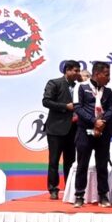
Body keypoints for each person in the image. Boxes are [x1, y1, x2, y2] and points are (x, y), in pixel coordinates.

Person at [73, 61, 112, 208]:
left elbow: (111, 109)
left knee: (102, 165)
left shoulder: (108, 91)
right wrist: (93, 121)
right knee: (82, 164)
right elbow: (78, 108)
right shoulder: (81, 87)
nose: (109, 78)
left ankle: (103, 196)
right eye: (106, 75)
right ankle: (79, 195)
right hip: (85, 131)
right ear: (97, 74)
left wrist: (102, 121)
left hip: (103, 131)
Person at [42, 60, 81, 200]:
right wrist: (65, 106)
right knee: (54, 161)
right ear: (67, 70)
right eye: (75, 71)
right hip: (56, 129)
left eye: (78, 71)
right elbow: (46, 101)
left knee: (70, 161)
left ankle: (70, 189)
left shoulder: (78, 87)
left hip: (73, 129)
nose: (78, 73)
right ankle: (53, 189)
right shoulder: (54, 83)